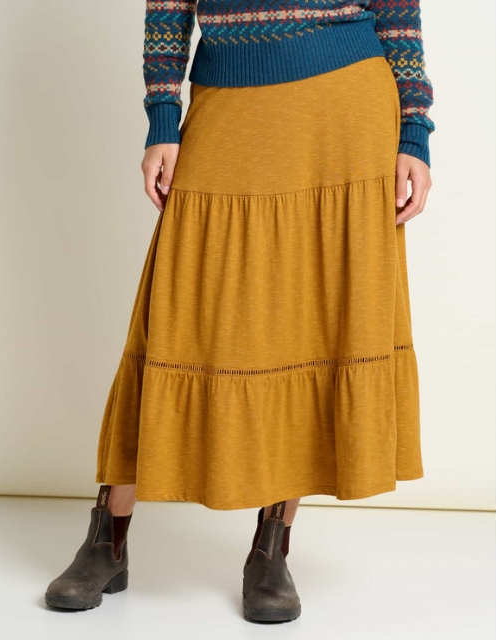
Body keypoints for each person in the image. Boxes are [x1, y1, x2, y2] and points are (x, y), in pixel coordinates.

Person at [45, 0, 435, 623]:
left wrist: (414, 129)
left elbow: (397, 8)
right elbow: (168, 5)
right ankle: (107, 538)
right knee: (178, 311)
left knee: (311, 319)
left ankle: (271, 548)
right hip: (228, 97)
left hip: (347, 106)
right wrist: (163, 116)